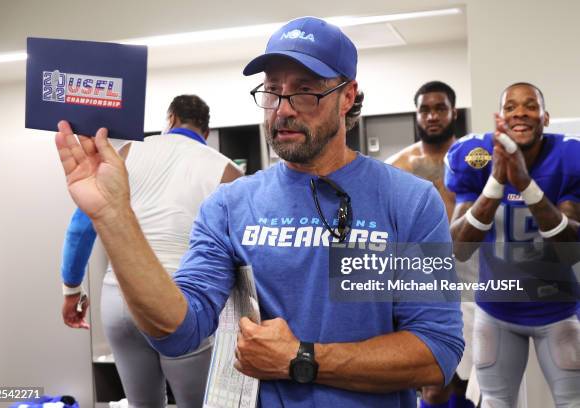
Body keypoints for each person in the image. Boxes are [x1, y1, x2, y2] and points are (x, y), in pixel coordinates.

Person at [55, 17, 464, 407]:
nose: (282, 109)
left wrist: (303, 359)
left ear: (347, 97)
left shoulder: (410, 200)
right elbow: (179, 331)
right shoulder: (230, 204)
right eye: (272, 91)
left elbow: (436, 351)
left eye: (305, 91)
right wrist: (113, 215)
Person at [60, 94, 243, 408]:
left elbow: (81, 226)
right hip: (182, 301)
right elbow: (239, 257)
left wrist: (71, 290)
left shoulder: (127, 152)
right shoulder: (226, 170)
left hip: (119, 296)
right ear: (206, 132)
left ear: (170, 119)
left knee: (141, 404)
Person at [445, 82, 580, 407]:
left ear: (545, 118)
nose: (520, 112)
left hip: (557, 309)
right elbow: (460, 247)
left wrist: (526, 185)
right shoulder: (474, 156)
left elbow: (570, 248)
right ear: (500, 119)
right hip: (496, 309)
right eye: (511, 107)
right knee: (495, 403)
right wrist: (497, 182)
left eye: (531, 106)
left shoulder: (569, 156)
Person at [387, 81, 476, 408]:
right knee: (433, 383)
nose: (432, 116)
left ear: (454, 112)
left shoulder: (473, 161)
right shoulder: (399, 166)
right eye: (425, 109)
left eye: (440, 108)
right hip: (422, 280)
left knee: (473, 383)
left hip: (471, 279)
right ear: (417, 115)